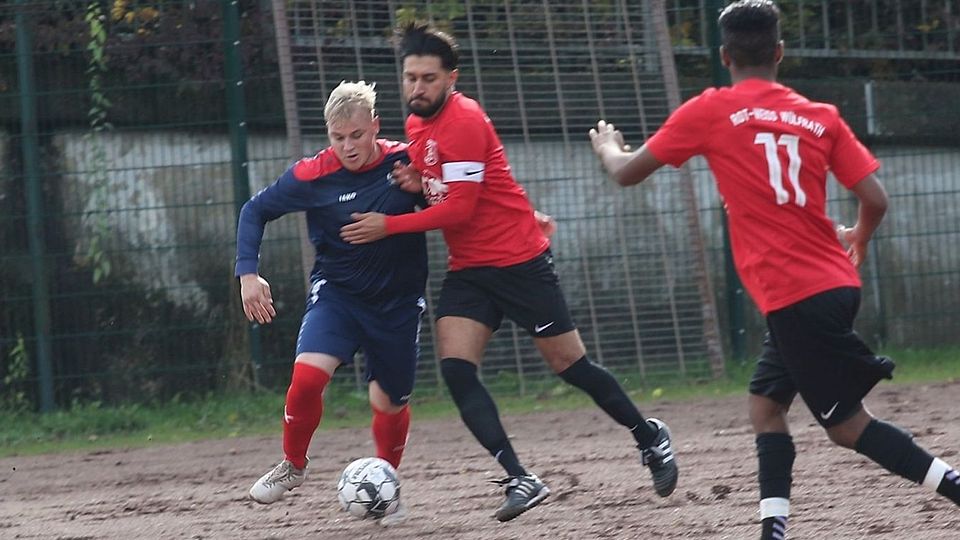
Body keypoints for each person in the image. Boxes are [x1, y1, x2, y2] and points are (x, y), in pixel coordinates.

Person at [588, 1, 960, 538]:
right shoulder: (820, 116)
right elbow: (875, 198)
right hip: (826, 286)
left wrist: (608, 146)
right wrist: (859, 235)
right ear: (780, 52)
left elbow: (626, 174)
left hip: (796, 294)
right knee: (765, 407)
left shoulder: (711, 110)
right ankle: (773, 529)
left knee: (848, 428)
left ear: (724, 55)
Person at [339, 21, 678, 522]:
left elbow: (460, 209)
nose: (417, 88)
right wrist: (416, 180)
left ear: (451, 78)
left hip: (519, 261)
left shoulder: (465, 120)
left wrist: (389, 224)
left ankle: (650, 439)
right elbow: (443, 186)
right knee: (456, 370)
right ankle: (521, 476)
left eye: (428, 78)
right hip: (471, 268)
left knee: (571, 368)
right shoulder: (416, 125)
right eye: (410, 77)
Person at [236, 81, 427, 525]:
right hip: (338, 297)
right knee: (305, 379)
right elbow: (254, 210)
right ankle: (293, 465)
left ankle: (388, 484)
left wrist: (422, 187)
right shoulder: (312, 173)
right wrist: (248, 274)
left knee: (389, 402)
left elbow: (456, 198)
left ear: (375, 127)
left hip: (398, 304)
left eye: (357, 135)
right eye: (338, 137)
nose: (348, 147)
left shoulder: (407, 160)